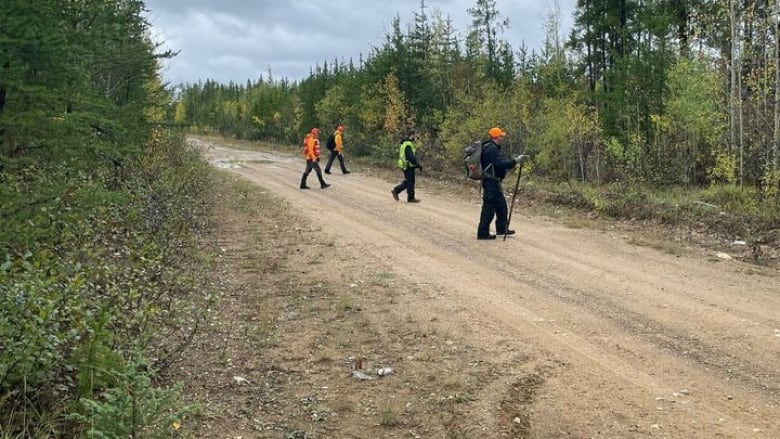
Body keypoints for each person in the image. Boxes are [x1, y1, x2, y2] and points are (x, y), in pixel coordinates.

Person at [477, 127, 527, 240]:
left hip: (493, 181)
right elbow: (500, 164)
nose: (501, 138)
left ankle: (501, 228)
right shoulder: (491, 149)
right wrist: (515, 161)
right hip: (491, 181)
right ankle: (482, 232)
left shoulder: (490, 147)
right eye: (500, 136)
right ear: (495, 137)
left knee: (501, 205)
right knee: (489, 207)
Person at [391, 129, 421, 203]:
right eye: (416, 135)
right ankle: (409, 197)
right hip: (407, 165)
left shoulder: (406, 143)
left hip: (407, 165)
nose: (417, 137)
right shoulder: (408, 144)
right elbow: (410, 157)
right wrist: (417, 164)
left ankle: (397, 191)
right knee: (410, 181)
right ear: (412, 135)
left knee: (409, 181)